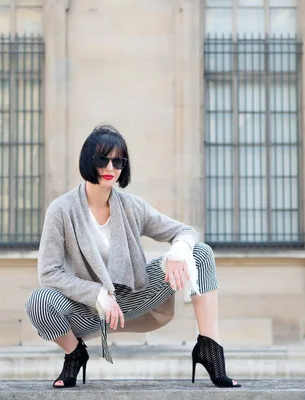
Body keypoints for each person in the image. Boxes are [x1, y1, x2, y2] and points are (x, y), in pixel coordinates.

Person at [25, 124, 240, 388]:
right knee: (38, 301)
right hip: (88, 310)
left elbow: (184, 231)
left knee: (200, 252)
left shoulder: (132, 206)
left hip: (135, 297)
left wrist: (177, 251)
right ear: (88, 160)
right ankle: (74, 354)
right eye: (103, 159)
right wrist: (97, 294)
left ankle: (210, 348)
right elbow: (49, 272)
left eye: (118, 161)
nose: (110, 167)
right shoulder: (61, 210)